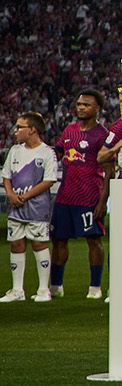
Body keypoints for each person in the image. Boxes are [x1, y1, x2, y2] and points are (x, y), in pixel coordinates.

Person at [50, 89, 121, 299]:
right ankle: (56, 286)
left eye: (86, 105)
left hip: (90, 196)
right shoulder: (69, 130)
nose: (81, 107)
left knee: (93, 240)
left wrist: (103, 200)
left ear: (97, 108)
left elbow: (109, 171)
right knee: (59, 240)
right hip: (64, 196)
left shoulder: (103, 135)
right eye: (79, 104)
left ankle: (95, 288)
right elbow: (56, 155)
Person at [5, 112, 59, 302]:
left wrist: (25, 196)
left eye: (20, 127)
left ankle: (44, 289)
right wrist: (11, 194)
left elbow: (49, 180)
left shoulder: (47, 152)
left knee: (39, 243)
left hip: (36, 206)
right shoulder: (14, 151)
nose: (16, 131)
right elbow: (6, 176)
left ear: (32, 130)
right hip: (15, 206)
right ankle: (17, 290)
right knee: (16, 243)